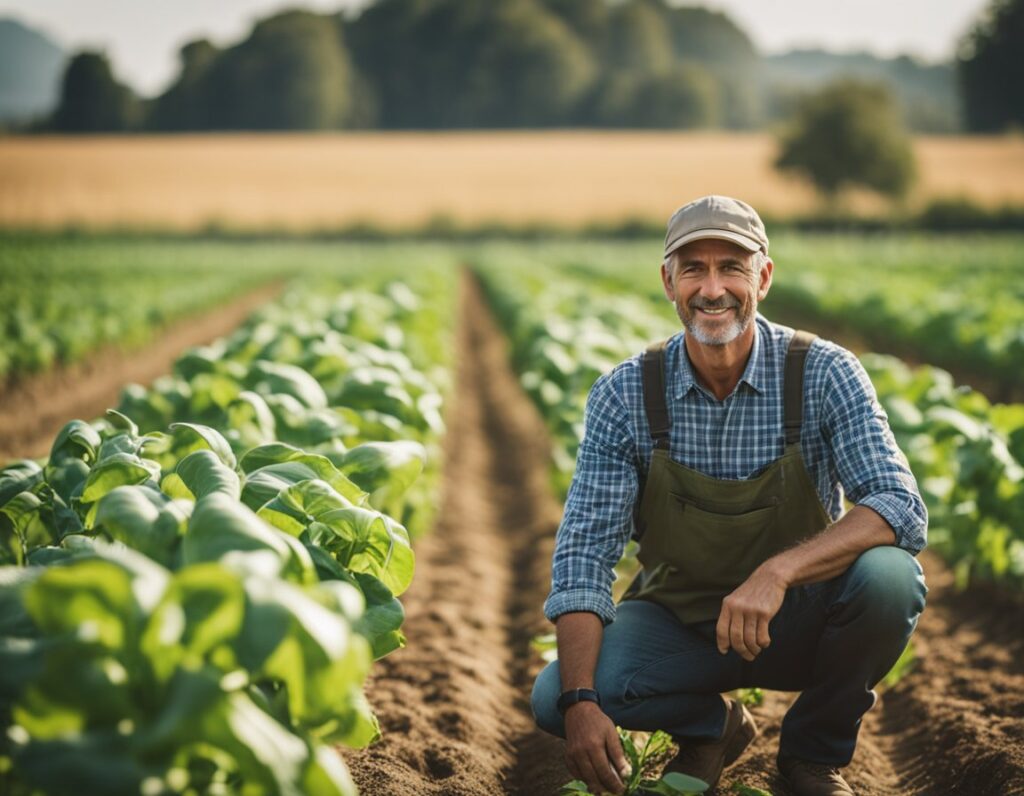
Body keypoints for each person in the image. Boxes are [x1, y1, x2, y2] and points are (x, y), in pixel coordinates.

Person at [530, 195, 928, 796]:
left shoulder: (823, 374)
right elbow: (584, 559)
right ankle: (712, 728)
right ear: (668, 281)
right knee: (554, 696)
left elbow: (899, 504)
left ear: (762, 277)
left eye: (731, 268)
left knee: (891, 577)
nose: (712, 289)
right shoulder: (625, 395)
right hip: (683, 622)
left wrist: (780, 571)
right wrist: (582, 702)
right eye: (693, 268)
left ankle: (811, 756)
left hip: (800, 622)